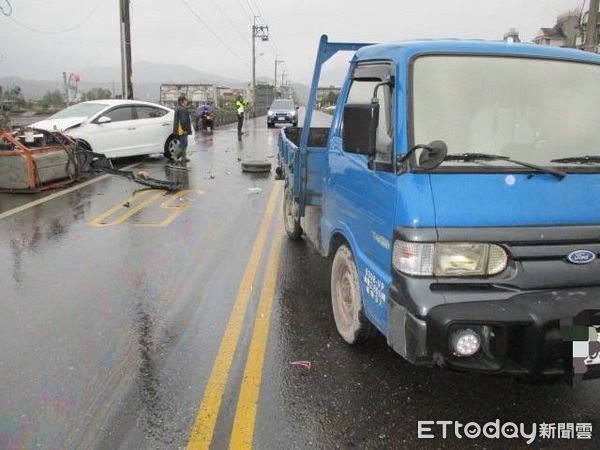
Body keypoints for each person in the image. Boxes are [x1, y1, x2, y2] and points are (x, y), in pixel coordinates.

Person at [173, 94, 192, 163]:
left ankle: (184, 157)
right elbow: (183, 121)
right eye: (186, 100)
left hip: (180, 128)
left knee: (185, 143)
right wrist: (185, 130)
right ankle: (175, 156)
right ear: (182, 101)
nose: (187, 101)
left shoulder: (179, 107)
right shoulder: (182, 109)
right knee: (183, 143)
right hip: (182, 129)